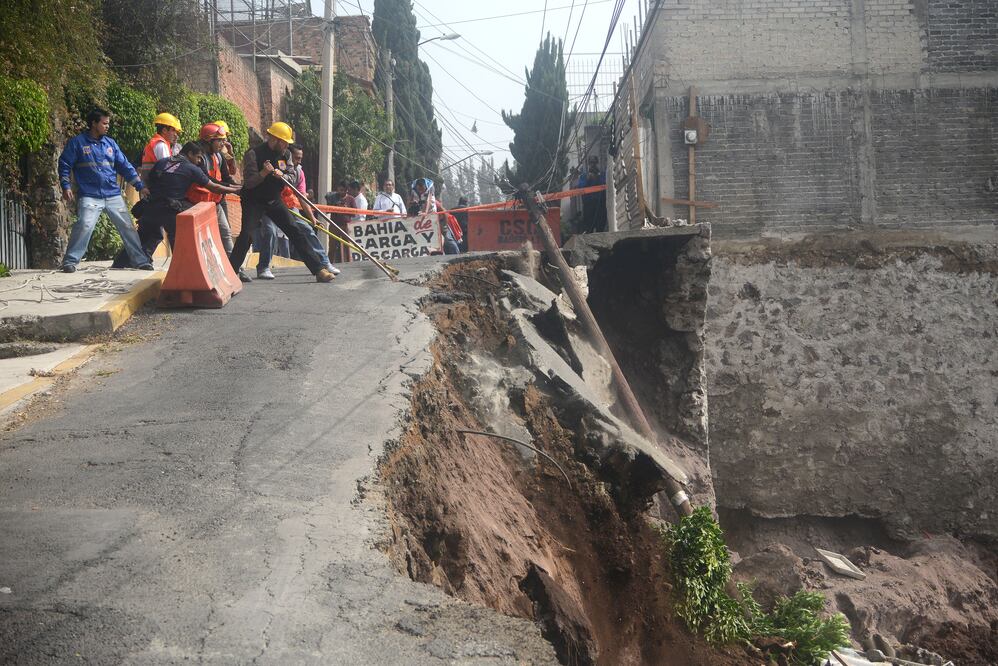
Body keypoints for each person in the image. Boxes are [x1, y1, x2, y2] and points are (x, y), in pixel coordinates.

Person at [227, 121, 335, 283]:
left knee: (295, 230)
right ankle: (231, 273)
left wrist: (282, 176)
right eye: (284, 142)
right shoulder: (253, 154)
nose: (286, 145)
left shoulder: (286, 155)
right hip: (253, 200)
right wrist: (264, 173)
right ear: (275, 139)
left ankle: (319, 269)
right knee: (246, 235)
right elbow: (248, 182)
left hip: (273, 199)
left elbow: (292, 176)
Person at [58, 108, 153, 272]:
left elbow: (125, 167)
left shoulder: (110, 144)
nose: (107, 126)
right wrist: (66, 186)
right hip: (90, 195)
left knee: (127, 227)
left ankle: (140, 261)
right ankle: (70, 261)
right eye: (104, 123)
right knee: (84, 225)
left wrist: (140, 186)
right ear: (94, 123)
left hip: (112, 194)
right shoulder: (77, 143)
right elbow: (65, 165)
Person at [122, 142, 241, 263]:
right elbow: (214, 187)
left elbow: (151, 180)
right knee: (178, 240)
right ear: (189, 154)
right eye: (198, 157)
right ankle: (179, 268)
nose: (200, 161)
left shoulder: (163, 162)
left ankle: (123, 263)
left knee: (144, 235)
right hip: (170, 209)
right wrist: (236, 190)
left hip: (150, 206)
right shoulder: (192, 168)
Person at [189, 123, 237, 253]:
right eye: (219, 140)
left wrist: (240, 187)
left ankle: (235, 268)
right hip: (196, 203)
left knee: (225, 232)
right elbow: (209, 180)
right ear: (208, 140)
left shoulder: (219, 156)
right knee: (201, 238)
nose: (223, 144)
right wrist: (235, 189)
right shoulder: (199, 157)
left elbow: (226, 178)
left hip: (214, 202)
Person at [138, 112, 183, 182]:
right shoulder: (161, 145)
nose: (176, 135)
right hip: (155, 188)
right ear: (164, 130)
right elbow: (168, 170)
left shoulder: (155, 143)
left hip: (150, 186)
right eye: (173, 130)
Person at [577, 156, 607, 234]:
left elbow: (605, 184)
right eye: (591, 163)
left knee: (600, 226)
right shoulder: (584, 176)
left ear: (597, 163)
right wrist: (588, 179)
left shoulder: (602, 175)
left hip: (600, 204)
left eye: (594, 163)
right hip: (588, 205)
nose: (593, 165)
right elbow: (581, 187)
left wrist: (597, 177)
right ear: (588, 164)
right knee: (588, 227)